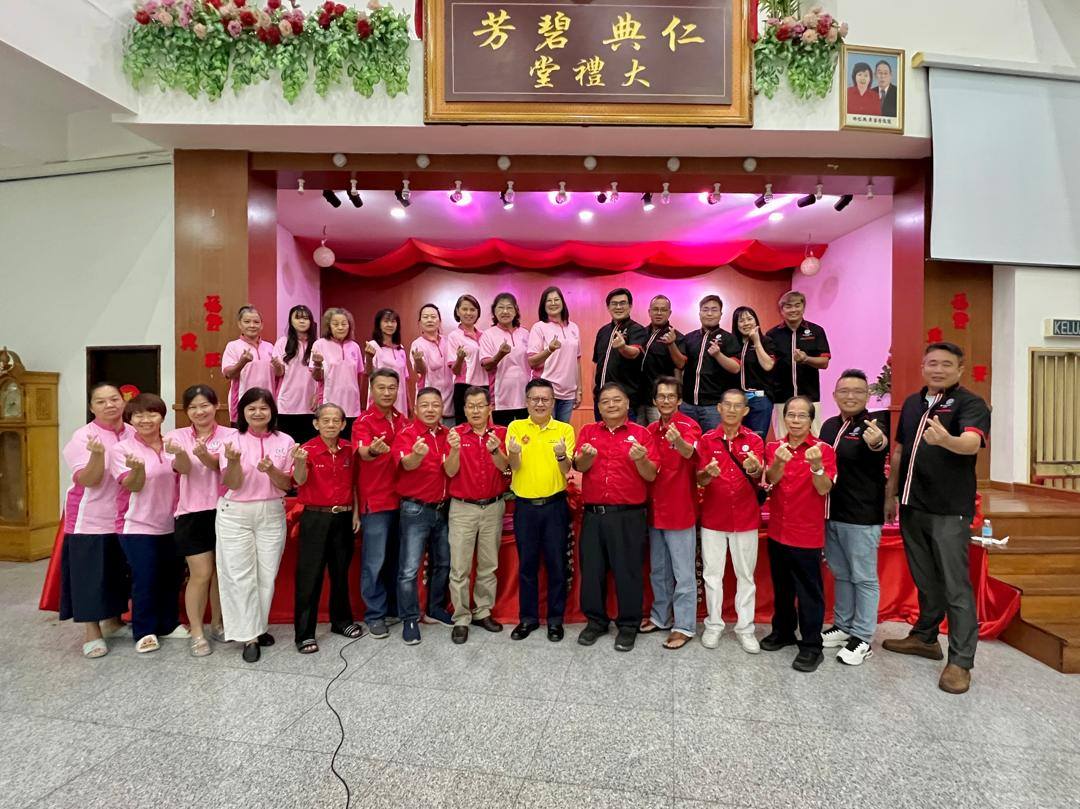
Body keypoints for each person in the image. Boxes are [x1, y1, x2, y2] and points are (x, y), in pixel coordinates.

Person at [883, 342, 990, 694]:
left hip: (948, 510)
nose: (938, 369)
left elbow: (971, 443)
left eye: (946, 364)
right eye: (932, 363)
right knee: (925, 579)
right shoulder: (913, 403)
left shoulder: (970, 404)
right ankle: (925, 637)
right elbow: (900, 450)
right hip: (912, 505)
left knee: (955, 586)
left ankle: (961, 661)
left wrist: (947, 440)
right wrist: (891, 494)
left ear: (959, 369)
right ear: (923, 367)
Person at [574, 382, 660, 652]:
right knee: (593, 571)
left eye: (616, 400)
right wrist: (586, 457)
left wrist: (641, 459)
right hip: (594, 515)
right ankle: (596, 622)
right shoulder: (588, 432)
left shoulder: (642, 434)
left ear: (627, 404)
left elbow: (651, 475)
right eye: (605, 401)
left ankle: (628, 625)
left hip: (628, 516)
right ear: (598, 407)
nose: (611, 405)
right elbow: (580, 466)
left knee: (628, 572)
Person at [216, 387, 298, 663]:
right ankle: (249, 636)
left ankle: (258, 626)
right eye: (251, 408)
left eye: (263, 408)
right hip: (236, 513)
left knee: (266, 574)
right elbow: (232, 483)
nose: (258, 413)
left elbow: (287, 485)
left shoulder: (285, 440)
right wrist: (234, 462)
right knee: (240, 576)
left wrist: (271, 470)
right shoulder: (230, 440)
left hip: (272, 511)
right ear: (242, 412)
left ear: (272, 411)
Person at [819, 370, 889, 666]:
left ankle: (862, 636)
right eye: (844, 391)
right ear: (834, 395)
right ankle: (844, 625)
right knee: (842, 573)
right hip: (831, 512)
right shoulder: (829, 425)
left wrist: (877, 442)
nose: (850, 396)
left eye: (858, 391)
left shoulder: (874, 424)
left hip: (861, 515)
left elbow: (879, 445)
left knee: (864, 577)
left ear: (868, 396)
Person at [762, 396, 836, 672]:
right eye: (790, 415)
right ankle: (783, 631)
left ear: (811, 419)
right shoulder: (774, 447)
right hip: (778, 530)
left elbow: (823, 488)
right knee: (782, 587)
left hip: (806, 533)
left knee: (809, 592)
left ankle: (812, 646)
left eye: (801, 415)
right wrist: (778, 464)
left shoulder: (823, 450)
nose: (795, 420)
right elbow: (771, 480)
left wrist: (816, 466)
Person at [59, 383, 134, 659]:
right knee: (89, 576)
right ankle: (92, 631)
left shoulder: (133, 432)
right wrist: (98, 455)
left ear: (124, 402)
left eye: (114, 399)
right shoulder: (83, 437)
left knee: (117, 571)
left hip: (125, 516)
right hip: (89, 517)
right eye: (101, 401)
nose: (109, 405)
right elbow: (88, 479)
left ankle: (113, 622)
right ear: (91, 407)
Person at [163, 384, 236, 656]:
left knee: (220, 573)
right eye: (193, 407)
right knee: (201, 573)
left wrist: (206, 455)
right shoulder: (176, 437)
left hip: (226, 510)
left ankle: (218, 623)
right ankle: (196, 632)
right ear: (186, 411)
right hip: (191, 512)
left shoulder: (231, 435)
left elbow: (225, 469)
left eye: (205, 405)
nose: (199, 411)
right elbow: (181, 468)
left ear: (216, 406)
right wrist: (182, 453)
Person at [108, 393, 184, 654]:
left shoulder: (172, 444)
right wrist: (138, 469)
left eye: (152, 413)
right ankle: (144, 630)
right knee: (145, 578)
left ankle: (168, 624)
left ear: (162, 416)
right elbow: (133, 485)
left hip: (171, 522)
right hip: (136, 525)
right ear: (130, 419)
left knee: (171, 577)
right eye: (138, 415)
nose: (146, 419)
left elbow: (185, 474)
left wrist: (180, 454)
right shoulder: (122, 449)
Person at [696, 389, 765, 654]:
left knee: (745, 576)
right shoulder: (707, 440)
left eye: (738, 406)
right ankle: (714, 625)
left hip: (745, 518)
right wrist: (707, 473)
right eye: (728, 405)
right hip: (714, 518)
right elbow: (700, 479)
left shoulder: (755, 440)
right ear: (719, 408)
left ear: (746, 411)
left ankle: (745, 629)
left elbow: (758, 472)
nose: (732, 410)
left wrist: (754, 468)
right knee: (712, 575)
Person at [291, 403, 364, 654]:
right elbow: (298, 481)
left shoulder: (349, 450)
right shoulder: (306, 450)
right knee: (309, 577)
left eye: (336, 421)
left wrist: (355, 513)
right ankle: (304, 634)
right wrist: (300, 462)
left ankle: (341, 621)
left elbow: (355, 484)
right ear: (316, 423)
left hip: (343, 517)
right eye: (326, 420)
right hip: (315, 518)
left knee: (340, 573)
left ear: (343, 424)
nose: (331, 425)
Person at [506, 378, 575, 642]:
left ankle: (555, 620)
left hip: (555, 507)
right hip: (525, 508)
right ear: (526, 402)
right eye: (534, 399)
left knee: (557, 564)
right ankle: (528, 618)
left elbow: (566, 469)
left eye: (545, 399)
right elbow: (514, 466)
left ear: (553, 402)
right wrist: (514, 453)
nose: (540, 403)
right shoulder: (515, 427)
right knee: (527, 565)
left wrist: (560, 455)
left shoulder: (564, 429)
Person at [445, 386, 510, 644]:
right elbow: (450, 472)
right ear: (464, 409)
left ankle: (483, 611)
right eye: (470, 406)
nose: (475, 411)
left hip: (493, 507)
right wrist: (454, 450)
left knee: (488, 564)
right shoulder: (455, 434)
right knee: (460, 567)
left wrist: (496, 451)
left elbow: (506, 468)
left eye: (480, 405)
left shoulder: (501, 433)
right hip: (462, 509)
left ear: (489, 408)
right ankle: (461, 618)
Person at [640, 377, 700, 650]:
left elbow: (691, 454)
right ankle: (660, 616)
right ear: (654, 401)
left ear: (679, 400)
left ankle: (684, 626)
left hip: (680, 510)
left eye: (670, 396)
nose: (665, 401)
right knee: (659, 570)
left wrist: (680, 443)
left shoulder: (689, 426)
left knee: (683, 573)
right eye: (661, 396)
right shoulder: (650, 429)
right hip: (655, 509)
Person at [392, 387, 452, 645]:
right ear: (415, 409)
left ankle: (435, 609)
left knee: (443, 563)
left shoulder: (448, 434)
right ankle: (410, 618)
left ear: (442, 409)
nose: (430, 409)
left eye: (435, 405)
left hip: (443, 508)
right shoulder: (407, 434)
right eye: (425, 405)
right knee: (409, 569)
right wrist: (417, 455)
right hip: (415, 510)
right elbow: (406, 464)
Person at [354, 368, 406, 640]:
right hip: (376, 501)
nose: (387, 392)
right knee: (374, 562)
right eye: (381, 387)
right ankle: (375, 615)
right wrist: (374, 450)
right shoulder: (363, 421)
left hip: (403, 500)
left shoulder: (402, 420)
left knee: (397, 559)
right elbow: (363, 452)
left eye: (392, 388)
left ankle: (394, 609)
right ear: (371, 390)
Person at [766, 291, 830, 438]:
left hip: (810, 397)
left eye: (797, 305)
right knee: (782, 440)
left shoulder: (816, 331)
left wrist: (806, 359)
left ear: (803, 307)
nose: (793, 310)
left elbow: (824, 363)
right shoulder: (772, 335)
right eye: (788, 306)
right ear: (782, 310)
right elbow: (768, 364)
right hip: (781, 397)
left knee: (814, 438)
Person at [680, 295, 741, 433]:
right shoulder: (689, 337)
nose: (709, 313)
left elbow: (735, 368)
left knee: (713, 442)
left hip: (713, 406)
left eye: (714, 310)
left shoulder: (729, 338)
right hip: (687, 405)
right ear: (699, 313)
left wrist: (718, 355)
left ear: (720, 314)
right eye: (705, 309)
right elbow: (680, 365)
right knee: (687, 442)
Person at [527, 286, 582, 424]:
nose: (553, 303)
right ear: (543, 305)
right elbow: (532, 361)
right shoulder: (539, 327)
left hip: (568, 393)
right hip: (545, 391)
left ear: (562, 302)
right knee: (544, 431)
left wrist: (579, 389)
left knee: (561, 433)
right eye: (549, 301)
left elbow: (577, 361)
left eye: (556, 299)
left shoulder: (574, 328)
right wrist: (549, 350)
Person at [591, 288, 647, 422]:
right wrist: (594, 390)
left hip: (625, 400)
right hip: (602, 399)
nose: (618, 307)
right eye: (614, 304)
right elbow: (596, 362)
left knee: (626, 435)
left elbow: (634, 353)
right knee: (601, 434)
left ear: (630, 306)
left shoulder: (637, 329)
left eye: (622, 303)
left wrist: (623, 347)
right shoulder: (603, 331)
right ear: (608, 307)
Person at [480, 292, 532, 426]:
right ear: (494, 311)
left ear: (516, 311)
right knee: (503, 436)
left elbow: (533, 362)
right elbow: (487, 366)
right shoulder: (488, 335)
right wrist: (500, 354)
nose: (505, 311)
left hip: (526, 397)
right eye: (501, 308)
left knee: (525, 436)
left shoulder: (525, 333)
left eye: (509, 307)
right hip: (501, 399)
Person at [312, 307, 364, 440]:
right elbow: (317, 377)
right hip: (329, 403)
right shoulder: (320, 344)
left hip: (352, 406)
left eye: (344, 324)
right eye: (335, 324)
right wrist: (317, 364)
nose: (340, 327)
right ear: (329, 326)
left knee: (350, 443)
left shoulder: (355, 346)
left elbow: (359, 375)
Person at [222, 305, 276, 425]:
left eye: (256, 322)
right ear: (239, 324)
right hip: (242, 404)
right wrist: (242, 362)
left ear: (261, 325)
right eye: (247, 322)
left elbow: (278, 375)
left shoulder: (270, 347)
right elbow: (228, 374)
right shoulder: (233, 346)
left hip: (267, 406)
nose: (252, 325)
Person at [273, 304, 319, 445]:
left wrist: (318, 395)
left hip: (310, 405)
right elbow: (279, 373)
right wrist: (276, 366)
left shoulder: (317, 344)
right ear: (291, 321)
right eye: (298, 318)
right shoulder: (282, 342)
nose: (302, 321)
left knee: (308, 447)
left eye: (306, 318)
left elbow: (322, 375)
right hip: (287, 405)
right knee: (288, 447)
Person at [731, 305, 777, 440]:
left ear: (756, 321)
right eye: (741, 320)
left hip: (759, 399)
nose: (746, 323)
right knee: (735, 439)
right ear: (736, 324)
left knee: (756, 440)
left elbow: (768, 365)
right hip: (736, 400)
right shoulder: (732, 343)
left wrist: (756, 342)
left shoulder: (766, 341)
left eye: (749, 319)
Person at [639, 295, 687, 424]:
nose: (659, 313)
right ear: (649, 312)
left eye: (663, 310)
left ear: (669, 313)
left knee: (661, 433)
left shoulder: (677, 336)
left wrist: (671, 344)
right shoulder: (640, 333)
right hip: (637, 399)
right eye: (655, 309)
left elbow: (681, 364)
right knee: (637, 435)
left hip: (660, 400)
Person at [409, 303, 455, 427]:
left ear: (439, 321)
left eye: (433, 317)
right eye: (425, 317)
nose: (430, 320)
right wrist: (418, 360)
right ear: (419, 322)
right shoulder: (417, 344)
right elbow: (421, 371)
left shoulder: (448, 341)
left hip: (451, 400)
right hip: (429, 401)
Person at [447, 294, 487, 424]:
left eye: (472, 309)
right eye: (465, 309)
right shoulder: (454, 336)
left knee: (483, 426)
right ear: (457, 311)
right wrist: (459, 358)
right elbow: (455, 371)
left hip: (485, 386)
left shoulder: (485, 335)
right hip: (464, 387)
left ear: (478, 312)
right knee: (464, 428)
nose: (469, 313)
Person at [365, 308, 412, 418]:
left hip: (400, 399)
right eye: (386, 321)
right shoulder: (373, 345)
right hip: (382, 397)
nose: (390, 325)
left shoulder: (400, 348)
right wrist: (369, 358)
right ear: (379, 324)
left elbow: (404, 380)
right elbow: (369, 373)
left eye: (393, 321)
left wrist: (409, 403)